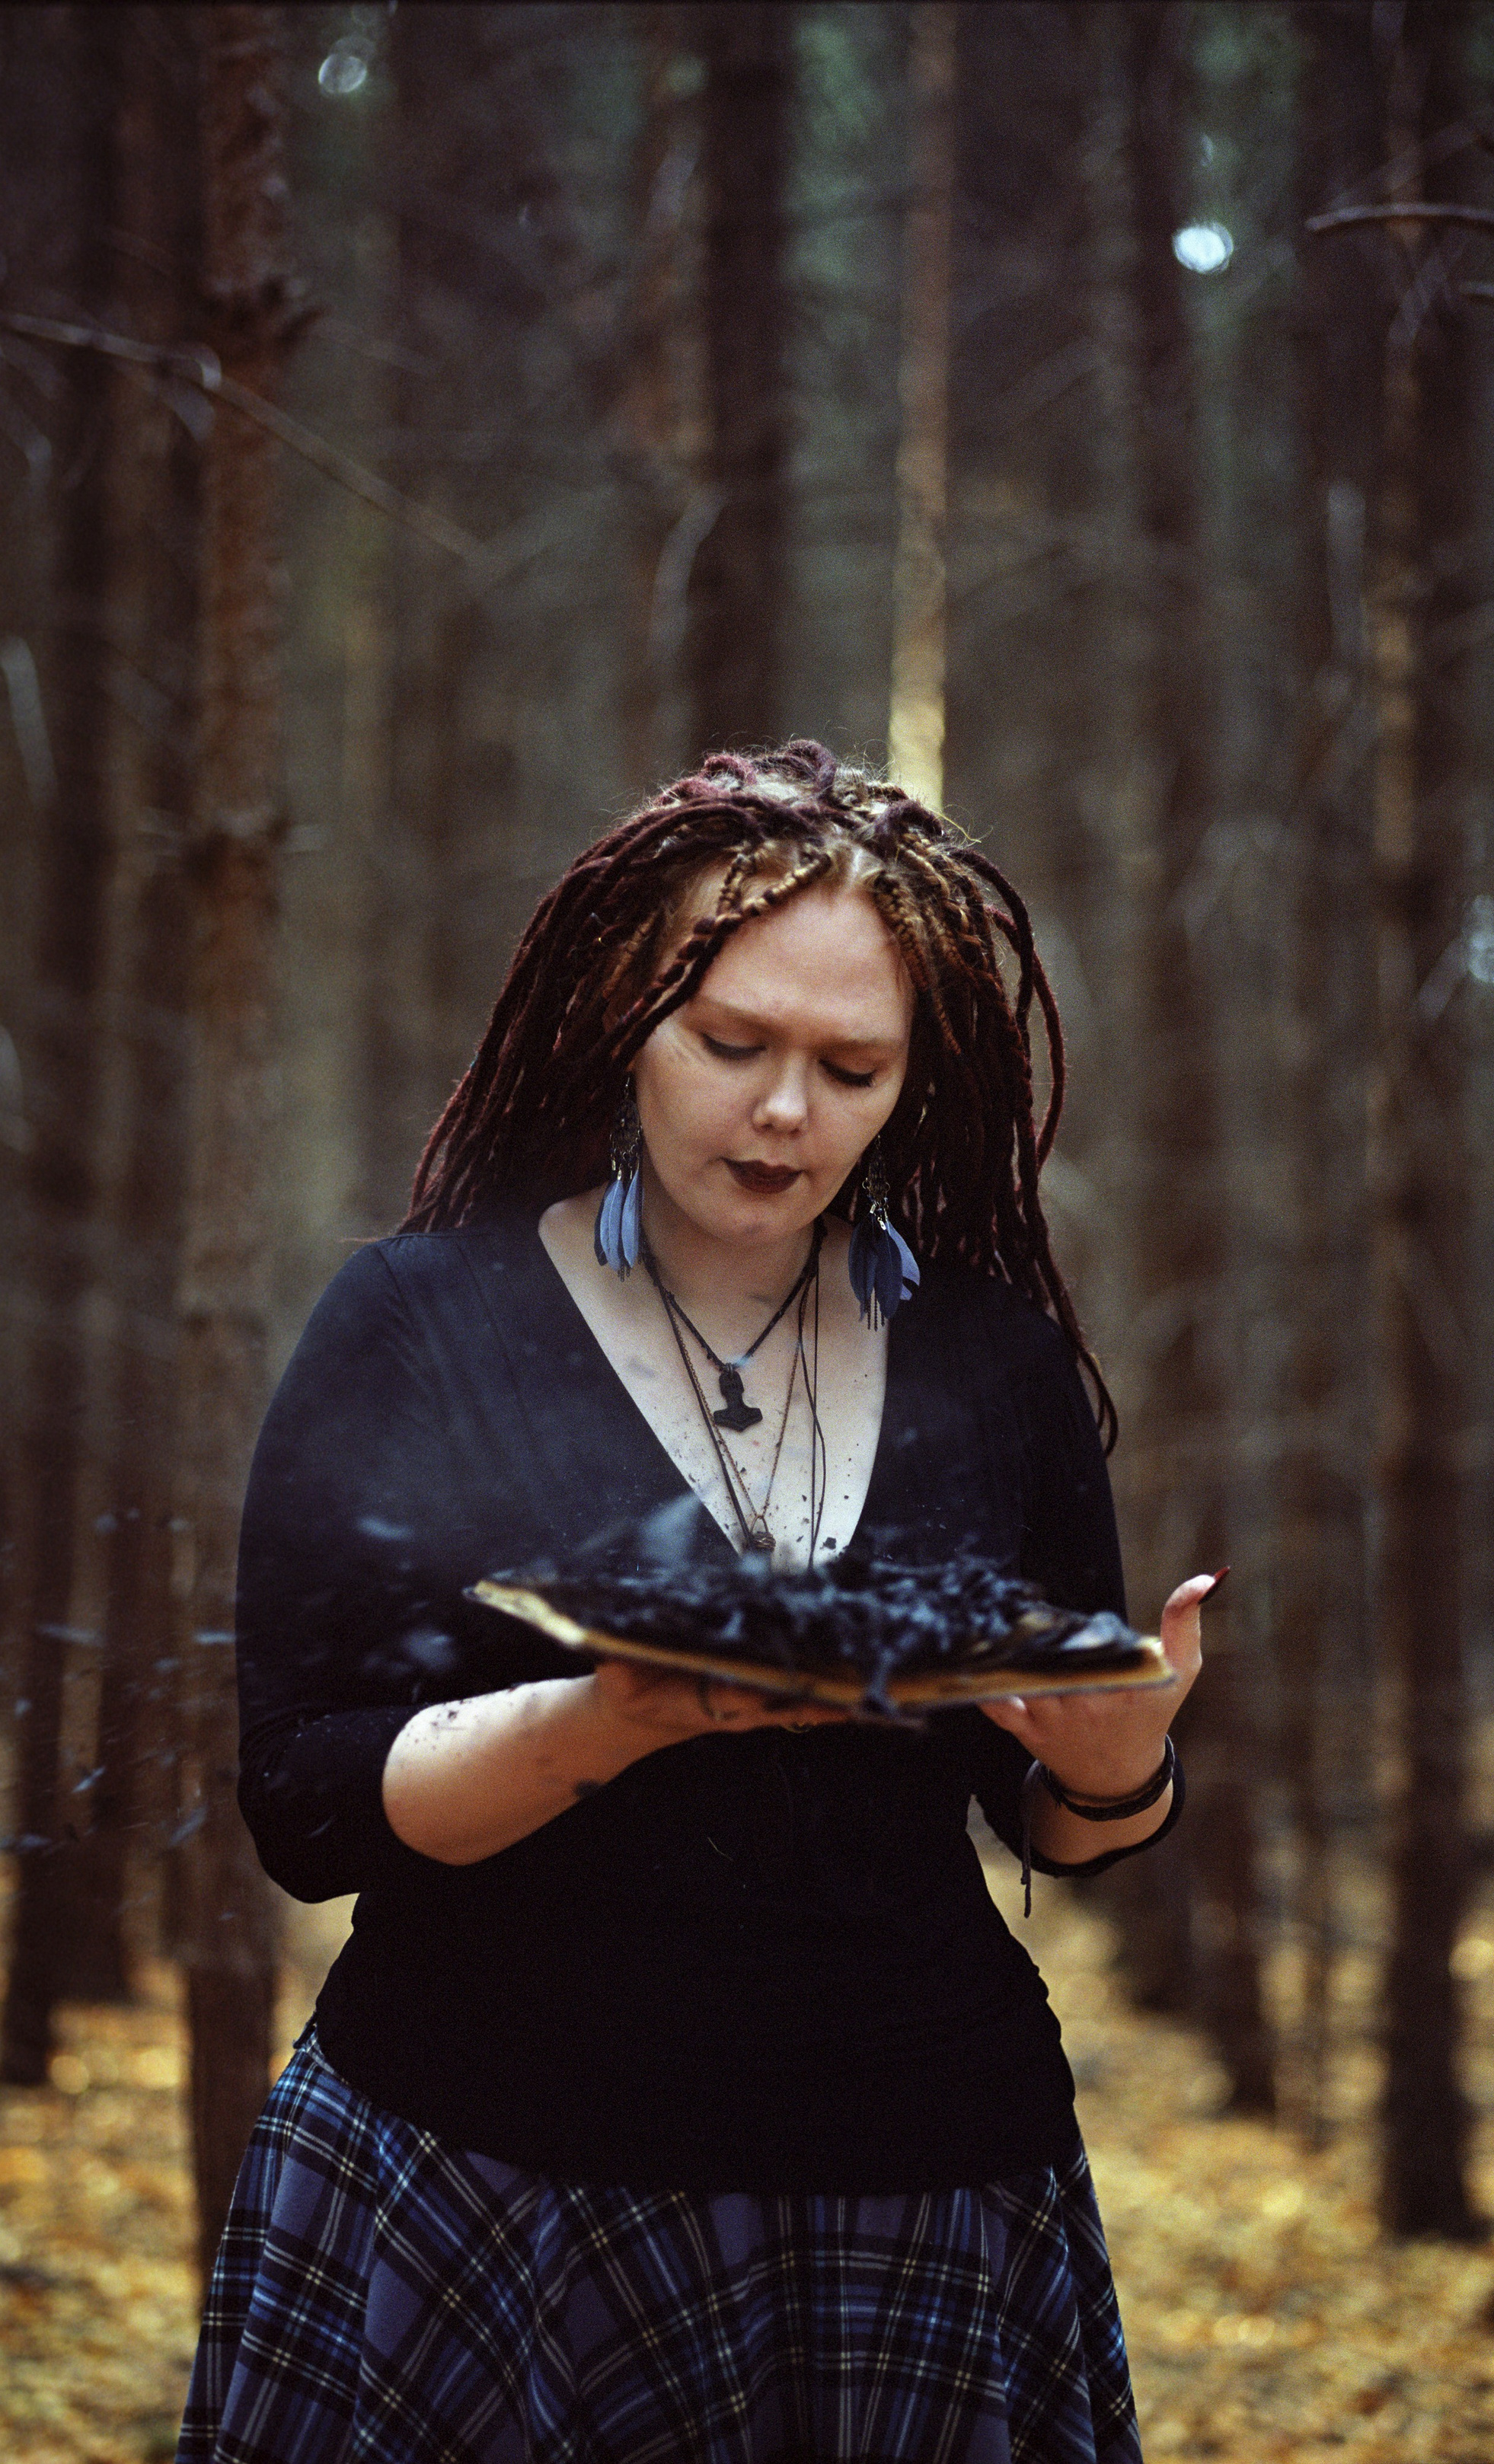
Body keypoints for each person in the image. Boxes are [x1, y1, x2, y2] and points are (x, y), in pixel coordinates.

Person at [177, 740, 1215, 2464]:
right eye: (731, 1043)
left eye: (849, 1065)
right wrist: (603, 1721)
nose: (786, 1110)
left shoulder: (994, 1369)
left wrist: (1110, 1774)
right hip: (482, 2172)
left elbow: (1038, 1803)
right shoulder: (417, 1325)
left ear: (913, 1080)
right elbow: (302, 1799)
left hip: (926, 2179)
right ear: (620, 1020)